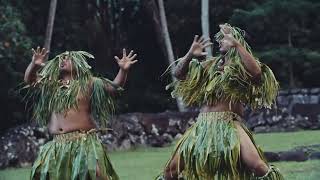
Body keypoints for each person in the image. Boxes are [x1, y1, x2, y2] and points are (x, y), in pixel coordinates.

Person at [158, 23, 284, 180]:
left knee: (258, 166)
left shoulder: (242, 67)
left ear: (235, 40)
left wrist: (237, 45)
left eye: (224, 38)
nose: (220, 41)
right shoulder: (211, 65)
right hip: (202, 126)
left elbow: (257, 73)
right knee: (170, 171)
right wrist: (190, 54)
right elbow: (178, 74)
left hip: (230, 125)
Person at [24, 47, 137, 180]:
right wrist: (34, 65)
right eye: (61, 58)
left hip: (83, 142)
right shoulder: (51, 85)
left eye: (68, 58)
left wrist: (123, 70)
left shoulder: (89, 83)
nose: (63, 59)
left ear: (78, 64)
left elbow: (114, 88)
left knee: (97, 175)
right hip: (57, 145)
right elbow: (30, 80)